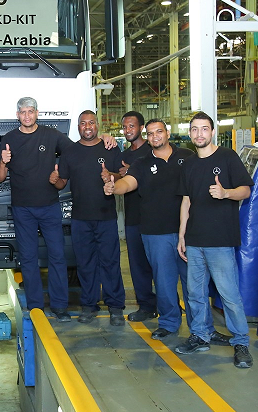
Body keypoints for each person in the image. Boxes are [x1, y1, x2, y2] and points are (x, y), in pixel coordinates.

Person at [103, 119, 196, 340]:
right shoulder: (142, 163)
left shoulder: (187, 157)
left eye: (159, 132)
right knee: (164, 281)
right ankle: (169, 322)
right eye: (151, 133)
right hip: (156, 232)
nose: (155, 136)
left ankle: (200, 327)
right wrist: (114, 187)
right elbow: (129, 182)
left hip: (190, 230)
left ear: (168, 133)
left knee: (193, 282)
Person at [176, 112, 253, 369]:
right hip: (195, 240)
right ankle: (200, 334)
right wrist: (181, 235)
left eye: (204, 129)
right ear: (190, 134)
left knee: (229, 294)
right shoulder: (188, 164)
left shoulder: (227, 157)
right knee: (195, 293)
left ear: (212, 132)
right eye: (195, 129)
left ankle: (241, 341)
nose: (199, 134)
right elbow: (186, 201)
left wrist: (225, 193)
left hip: (220, 240)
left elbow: (246, 189)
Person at [0, 97, 73, 321]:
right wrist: (3, 162)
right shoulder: (9, 139)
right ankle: (36, 306)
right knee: (28, 258)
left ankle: (60, 307)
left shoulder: (52, 135)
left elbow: (75, 152)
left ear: (37, 113)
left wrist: (61, 173)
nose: (27, 116)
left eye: (31, 111)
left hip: (49, 206)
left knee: (57, 256)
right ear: (17, 115)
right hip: (23, 210)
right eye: (23, 112)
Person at [51, 110, 126, 325]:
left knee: (110, 262)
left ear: (97, 125)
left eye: (91, 123)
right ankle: (89, 305)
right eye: (83, 123)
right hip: (80, 218)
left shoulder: (110, 147)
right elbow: (61, 183)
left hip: (106, 217)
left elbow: (124, 173)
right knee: (85, 263)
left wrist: (111, 175)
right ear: (78, 127)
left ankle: (115, 306)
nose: (87, 127)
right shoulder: (70, 152)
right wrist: (54, 178)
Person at [119, 111, 157, 322]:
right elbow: (118, 175)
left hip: (156, 218)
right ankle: (146, 306)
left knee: (161, 265)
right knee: (138, 265)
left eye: (132, 126)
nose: (128, 130)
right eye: (125, 127)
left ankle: (169, 304)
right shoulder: (124, 155)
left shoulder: (153, 150)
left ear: (141, 127)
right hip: (133, 218)